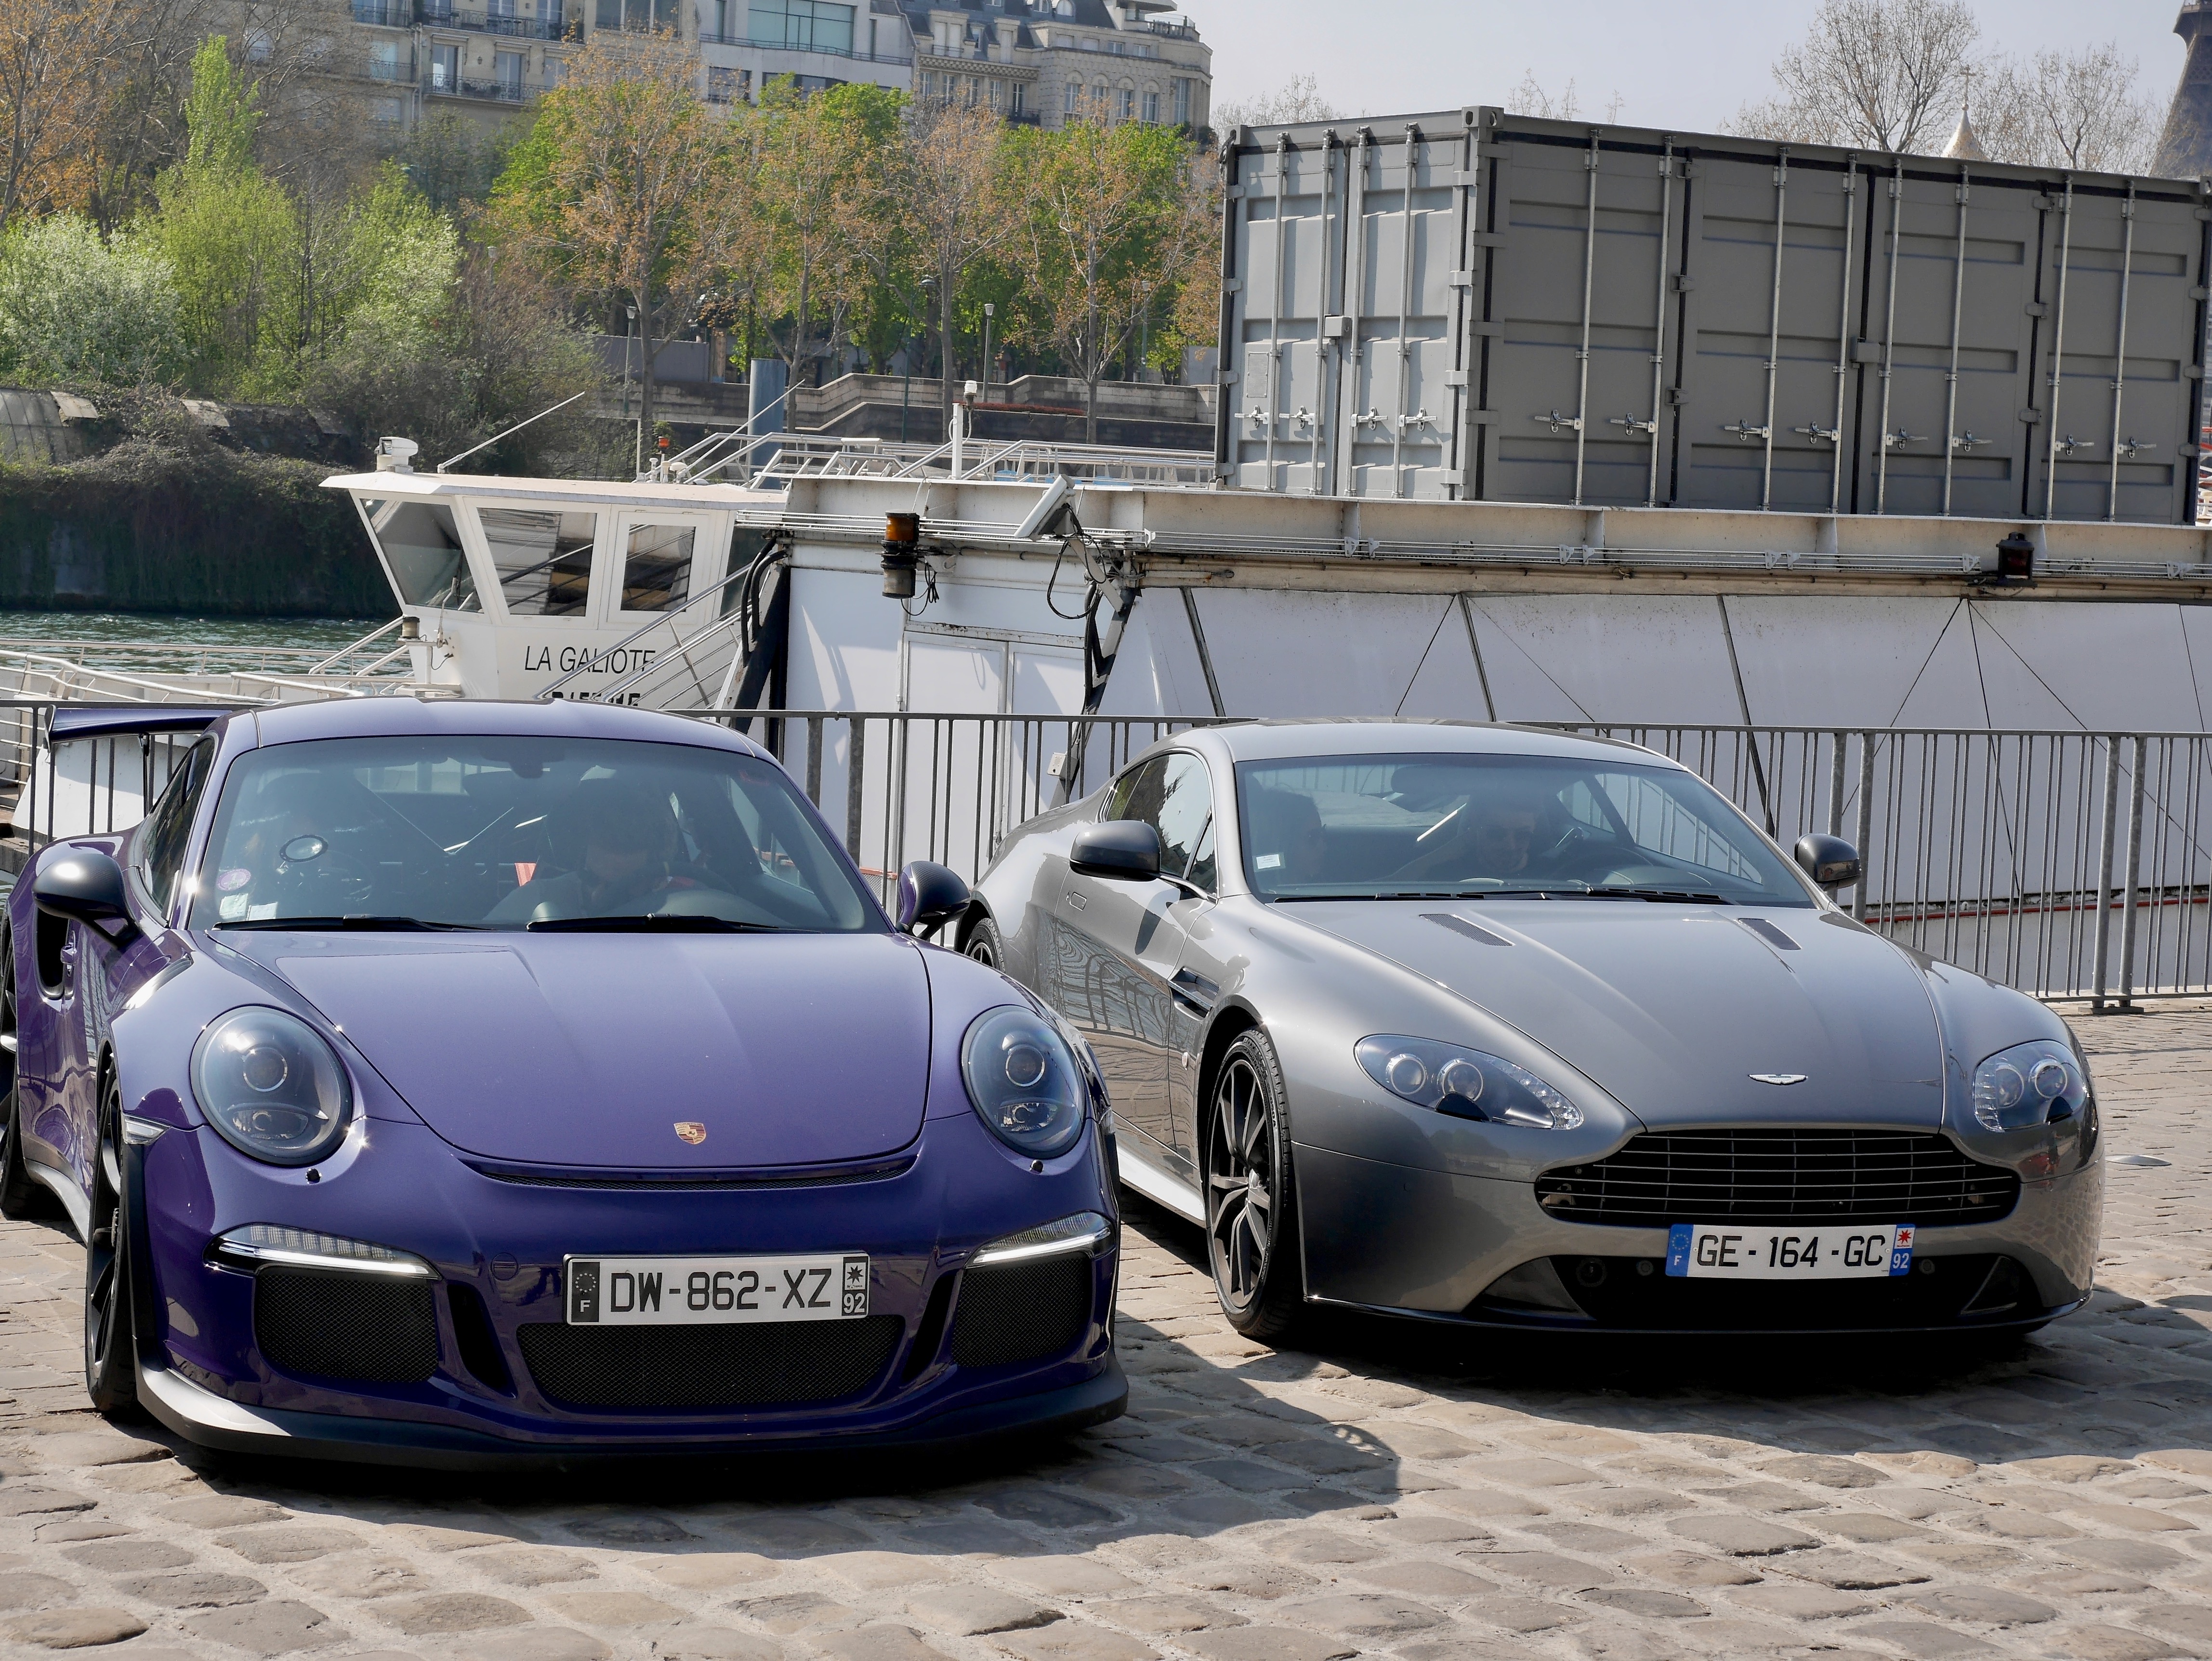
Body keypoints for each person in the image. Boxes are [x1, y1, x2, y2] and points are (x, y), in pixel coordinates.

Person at [488, 783, 718, 923]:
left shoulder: (694, 909)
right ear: (581, 859)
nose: (600, 894)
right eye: (592, 879)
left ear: (659, 877)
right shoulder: (535, 901)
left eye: (625, 885)